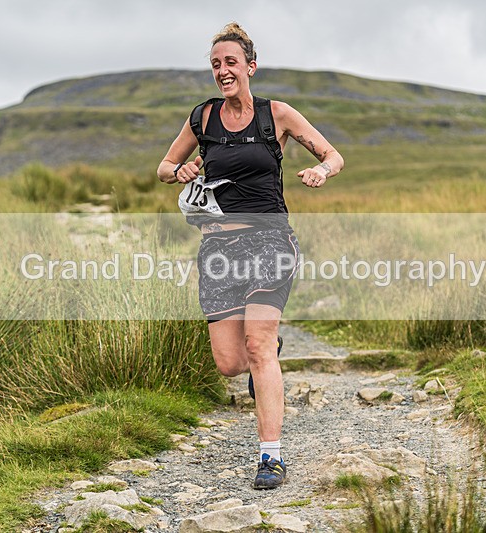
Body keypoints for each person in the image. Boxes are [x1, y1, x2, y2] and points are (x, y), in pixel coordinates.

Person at [157, 22, 344, 489]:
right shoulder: (202, 118)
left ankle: (271, 457)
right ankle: (268, 357)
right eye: (216, 64)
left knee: (257, 345)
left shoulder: (275, 115)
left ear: (250, 67)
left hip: (270, 242)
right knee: (229, 362)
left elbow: (333, 155)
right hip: (218, 249)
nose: (222, 70)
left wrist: (321, 171)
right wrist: (179, 170)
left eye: (230, 62)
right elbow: (163, 167)